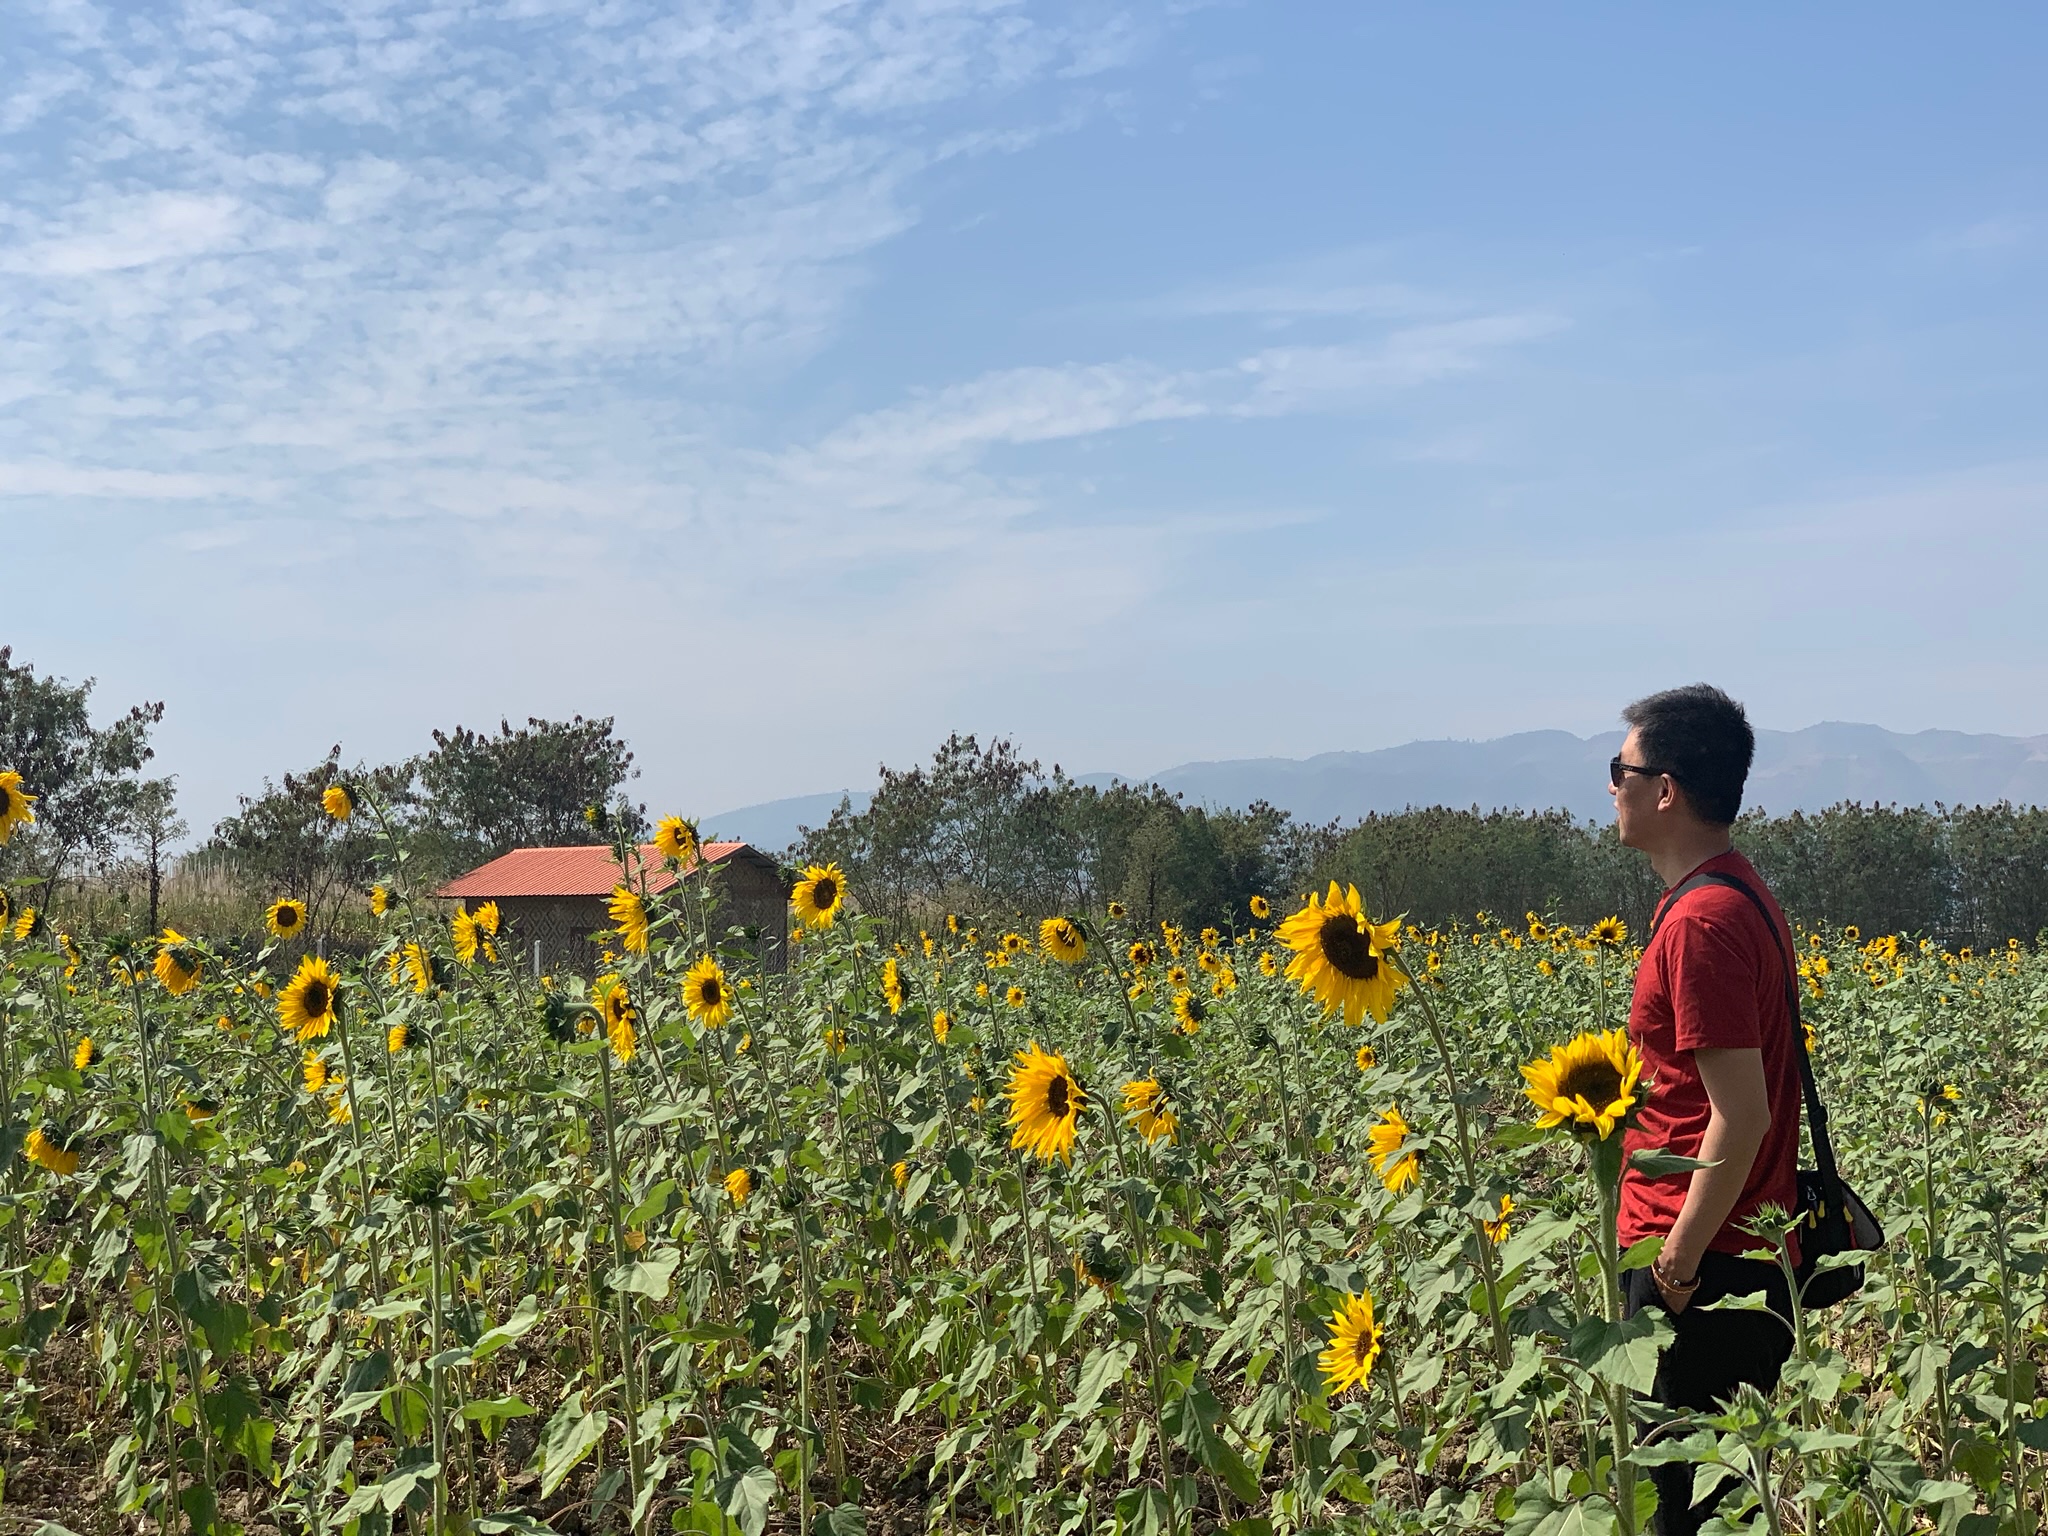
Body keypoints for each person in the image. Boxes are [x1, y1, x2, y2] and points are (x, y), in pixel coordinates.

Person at [1609, 684, 1803, 1536]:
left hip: (1706, 1265)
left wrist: (1675, 1270)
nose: (1610, 786)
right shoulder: (1738, 894)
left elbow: (1742, 1114)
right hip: (1731, 1255)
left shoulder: (1702, 924)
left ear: (1666, 790)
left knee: (1681, 1517)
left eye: (1621, 768)